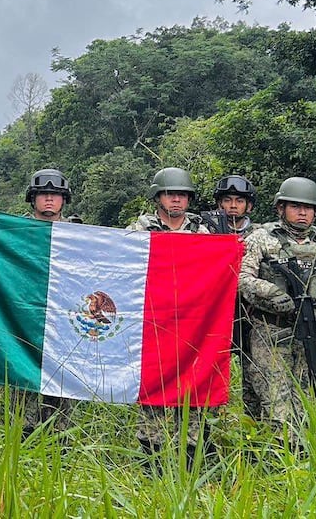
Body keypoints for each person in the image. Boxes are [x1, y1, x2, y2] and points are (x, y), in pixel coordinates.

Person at [239, 177, 316, 447]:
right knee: (274, 397)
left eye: (308, 207)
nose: (302, 213)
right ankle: (280, 458)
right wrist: (269, 292)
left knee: (310, 393)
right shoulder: (261, 240)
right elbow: (242, 278)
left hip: (315, 334)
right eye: (295, 206)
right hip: (272, 332)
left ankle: (305, 453)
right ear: (280, 208)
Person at [128, 167, 210, 463]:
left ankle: (190, 453)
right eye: (170, 194)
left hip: (192, 323)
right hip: (152, 321)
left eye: (182, 195)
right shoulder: (139, 231)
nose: (176, 200)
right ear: (158, 197)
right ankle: (151, 455)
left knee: (192, 385)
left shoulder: (202, 233)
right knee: (154, 385)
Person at [19, 168, 80, 433]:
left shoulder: (78, 232)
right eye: (43, 194)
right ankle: (24, 431)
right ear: (33, 198)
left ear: (63, 200)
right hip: (25, 312)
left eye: (55, 195)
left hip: (64, 315)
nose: (48, 200)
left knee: (63, 377)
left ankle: (60, 436)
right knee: (24, 373)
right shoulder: (15, 229)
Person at [208, 175, 264, 421]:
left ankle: (253, 429)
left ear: (248, 206)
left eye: (239, 201)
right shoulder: (205, 230)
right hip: (213, 313)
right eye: (227, 200)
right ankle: (208, 428)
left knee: (255, 374)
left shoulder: (262, 235)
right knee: (209, 372)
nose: (233, 205)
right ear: (219, 204)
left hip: (250, 313)